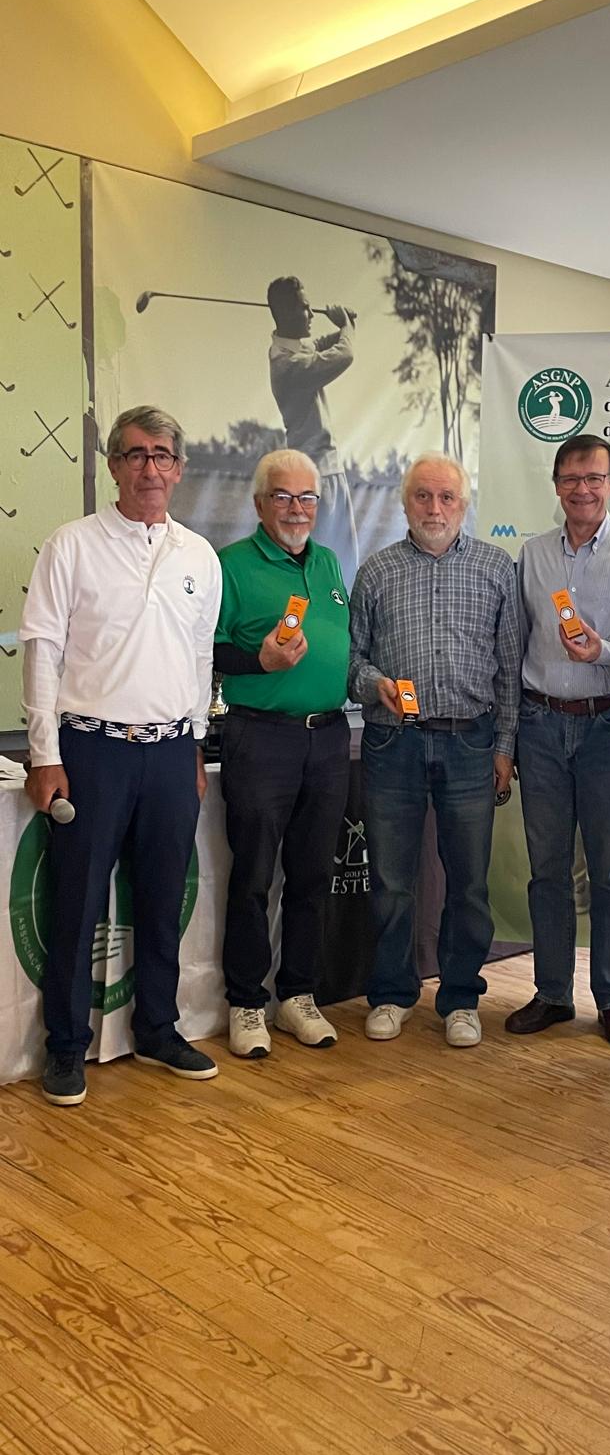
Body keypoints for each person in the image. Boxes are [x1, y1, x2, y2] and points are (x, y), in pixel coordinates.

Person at [19, 405, 222, 1106]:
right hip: (90, 751)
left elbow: (199, 660)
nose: (150, 468)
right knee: (75, 904)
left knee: (163, 900)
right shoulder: (71, 545)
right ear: (113, 465)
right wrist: (45, 755)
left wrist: (193, 746)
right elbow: (42, 651)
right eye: (135, 454)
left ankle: (159, 1028)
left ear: (179, 468)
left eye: (162, 455)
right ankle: (65, 1046)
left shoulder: (199, 556)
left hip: (169, 754)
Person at [349, 453, 519, 1047]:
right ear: (405, 503)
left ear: (464, 504)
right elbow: (352, 659)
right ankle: (392, 993)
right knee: (391, 881)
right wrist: (373, 683)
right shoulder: (375, 572)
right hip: (392, 741)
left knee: (468, 882)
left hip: (471, 741)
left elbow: (509, 670)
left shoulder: (497, 569)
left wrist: (505, 746)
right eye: (423, 496)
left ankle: (462, 997)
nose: (435, 508)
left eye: (446, 497)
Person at [507, 436, 610, 1046]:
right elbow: (513, 646)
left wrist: (605, 651)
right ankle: (552, 994)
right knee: (547, 870)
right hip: (541, 724)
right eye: (571, 479)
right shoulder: (531, 554)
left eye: (594, 478)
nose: (583, 489)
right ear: (556, 486)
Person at [214, 450, 351, 1059]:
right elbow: (208, 650)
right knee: (252, 877)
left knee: (313, 875)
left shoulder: (328, 564)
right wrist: (259, 660)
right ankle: (246, 1002)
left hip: (328, 738)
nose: (297, 509)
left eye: (307, 498)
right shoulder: (230, 566)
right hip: (260, 737)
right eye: (283, 497)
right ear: (259, 503)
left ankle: (298, 994)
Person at [267, 276, 359, 584]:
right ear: (285, 313)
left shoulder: (288, 351)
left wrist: (344, 327)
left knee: (338, 568)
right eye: (304, 308)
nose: (310, 314)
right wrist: (345, 327)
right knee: (334, 569)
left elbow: (317, 346)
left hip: (321, 472)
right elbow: (343, 355)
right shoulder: (288, 365)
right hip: (316, 477)